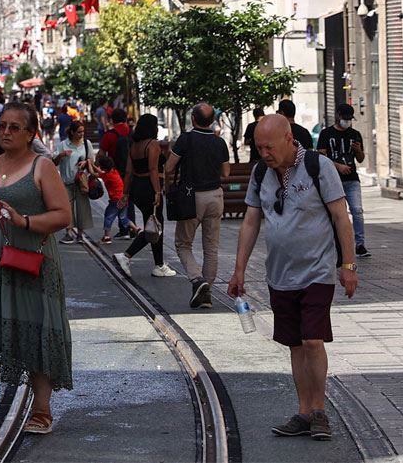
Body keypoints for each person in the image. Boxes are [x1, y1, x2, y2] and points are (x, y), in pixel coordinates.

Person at [227, 114, 357, 441]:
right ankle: (303, 412)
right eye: (259, 147)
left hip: (317, 270)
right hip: (279, 274)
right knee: (295, 344)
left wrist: (349, 265)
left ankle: (319, 411)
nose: (264, 153)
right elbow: (251, 222)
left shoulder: (318, 167)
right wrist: (239, 269)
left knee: (313, 339)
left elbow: (342, 217)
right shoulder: (261, 173)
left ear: (288, 139)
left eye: (269, 146)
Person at [0, 103, 72, 435]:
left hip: (33, 259)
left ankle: (42, 411)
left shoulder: (42, 166)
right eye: (1, 126)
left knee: (35, 329)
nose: (5, 132)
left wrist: (25, 221)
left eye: (14, 127)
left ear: (31, 134)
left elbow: (64, 215)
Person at [165, 102, 231, 308]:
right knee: (211, 247)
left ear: (193, 119)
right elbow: (226, 173)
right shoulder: (220, 143)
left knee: (183, 243)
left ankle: (197, 279)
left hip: (192, 197)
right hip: (215, 196)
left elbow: (168, 168)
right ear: (212, 121)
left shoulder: (185, 139)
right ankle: (207, 294)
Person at [113, 115, 176, 278]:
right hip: (149, 187)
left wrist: (125, 193)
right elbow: (153, 169)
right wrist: (157, 191)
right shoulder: (152, 144)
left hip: (136, 188)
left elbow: (128, 171)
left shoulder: (134, 145)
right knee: (155, 226)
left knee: (154, 223)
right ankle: (126, 256)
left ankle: (159, 264)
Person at [317, 104, 369, 259]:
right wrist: (337, 166)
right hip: (332, 180)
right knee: (334, 214)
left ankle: (360, 245)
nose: (347, 121)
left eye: (349, 119)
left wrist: (358, 150)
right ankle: (334, 244)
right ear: (338, 116)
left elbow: (360, 159)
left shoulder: (355, 134)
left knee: (357, 211)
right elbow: (321, 157)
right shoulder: (326, 134)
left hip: (352, 179)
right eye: (344, 118)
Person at [54, 120, 92, 244]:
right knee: (67, 208)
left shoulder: (87, 144)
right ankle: (69, 233)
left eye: (83, 131)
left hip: (81, 181)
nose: (81, 134)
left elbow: (92, 161)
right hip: (66, 181)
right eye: (79, 132)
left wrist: (86, 163)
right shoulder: (63, 145)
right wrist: (61, 155)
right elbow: (54, 162)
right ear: (72, 132)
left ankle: (80, 234)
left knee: (82, 208)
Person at [98, 154, 128, 241]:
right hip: (123, 198)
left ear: (104, 168)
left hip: (115, 200)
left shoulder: (107, 176)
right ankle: (136, 229)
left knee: (108, 216)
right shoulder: (115, 171)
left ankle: (107, 236)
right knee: (123, 217)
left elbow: (95, 174)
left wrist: (90, 164)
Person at [99, 107, 131, 173]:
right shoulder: (132, 132)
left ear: (112, 120)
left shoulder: (108, 135)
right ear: (125, 119)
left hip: (115, 172)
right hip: (131, 171)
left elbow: (101, 154)